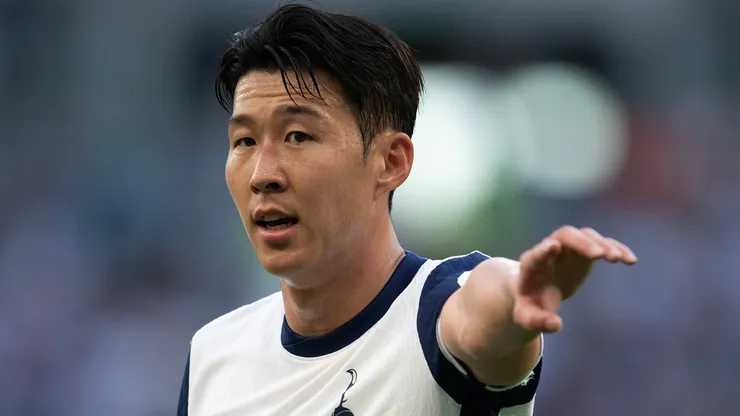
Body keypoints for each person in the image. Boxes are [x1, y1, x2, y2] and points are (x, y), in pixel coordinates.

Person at [177, 4, 637, 415]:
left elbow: (482, 312)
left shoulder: (434, 318)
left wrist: (515, 299)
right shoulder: (212, 356)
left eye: (298, 136)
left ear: (391, 162)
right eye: (244, 141)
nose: (262, 174)